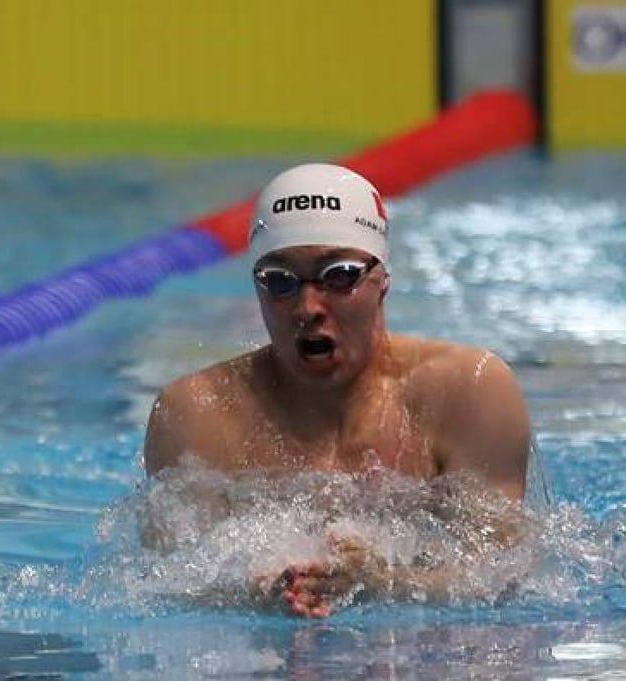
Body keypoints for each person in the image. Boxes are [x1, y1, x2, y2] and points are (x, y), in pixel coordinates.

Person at [143, 163, 532, 617]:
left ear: (382, 278)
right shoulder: (197, 413)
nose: (307, 307)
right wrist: (250, 596)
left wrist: (381, 583)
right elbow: (165, 588)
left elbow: (499, 580)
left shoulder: (468, 392)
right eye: (279, 281)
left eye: (339, 275)